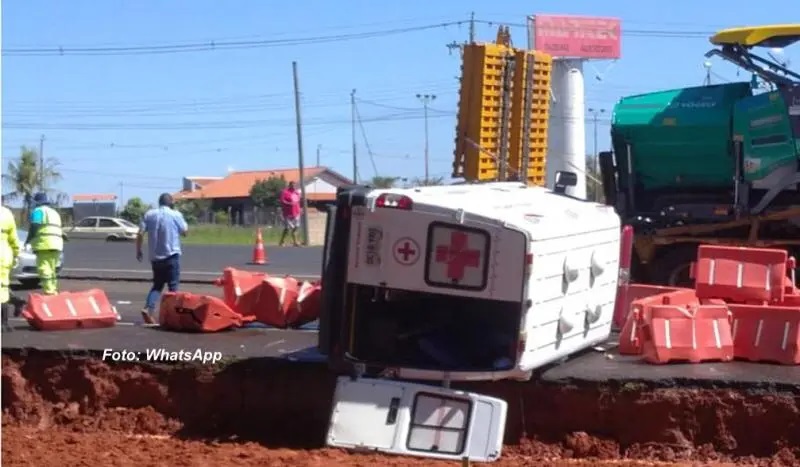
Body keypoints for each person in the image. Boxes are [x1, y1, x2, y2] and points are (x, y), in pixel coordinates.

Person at [136, 193, 188, 324]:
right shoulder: (175, 214)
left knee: (157, 285)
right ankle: (172, 315)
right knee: (173, 286)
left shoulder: (149, 214)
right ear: (170, 202)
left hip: (155, 257)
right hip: (171, 254)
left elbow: (140, 233)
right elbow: (185, 232)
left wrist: (139, 250)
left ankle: (149, 308)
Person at [25, 192, 64, 295]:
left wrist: (28, 240)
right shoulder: (54, 213)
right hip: (57, 244)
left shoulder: (38, 211)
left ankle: (49, 291)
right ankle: (53, 290)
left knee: (44, 268)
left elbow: (35, 226)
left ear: (37, 202)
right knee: (52, 269)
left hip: (44, 244)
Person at [1, 203, 21, 329]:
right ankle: (4, 323)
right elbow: (14, 238)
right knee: (2, 288)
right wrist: (16, 254)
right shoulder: (6, 213)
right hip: (4, 255)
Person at [279, 181, 302, 247]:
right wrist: (289, 203)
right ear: (290, 185)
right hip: (288, 213)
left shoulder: (297, 193)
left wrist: (300, 209)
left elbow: (298, 201)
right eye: (292, 185)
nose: (294, 186)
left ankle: (295, 242)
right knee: (288, 228)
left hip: (296, 212)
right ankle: (282, 241)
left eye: (295, 185)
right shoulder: (285, 192)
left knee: (296, 227)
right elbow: (282, 201)